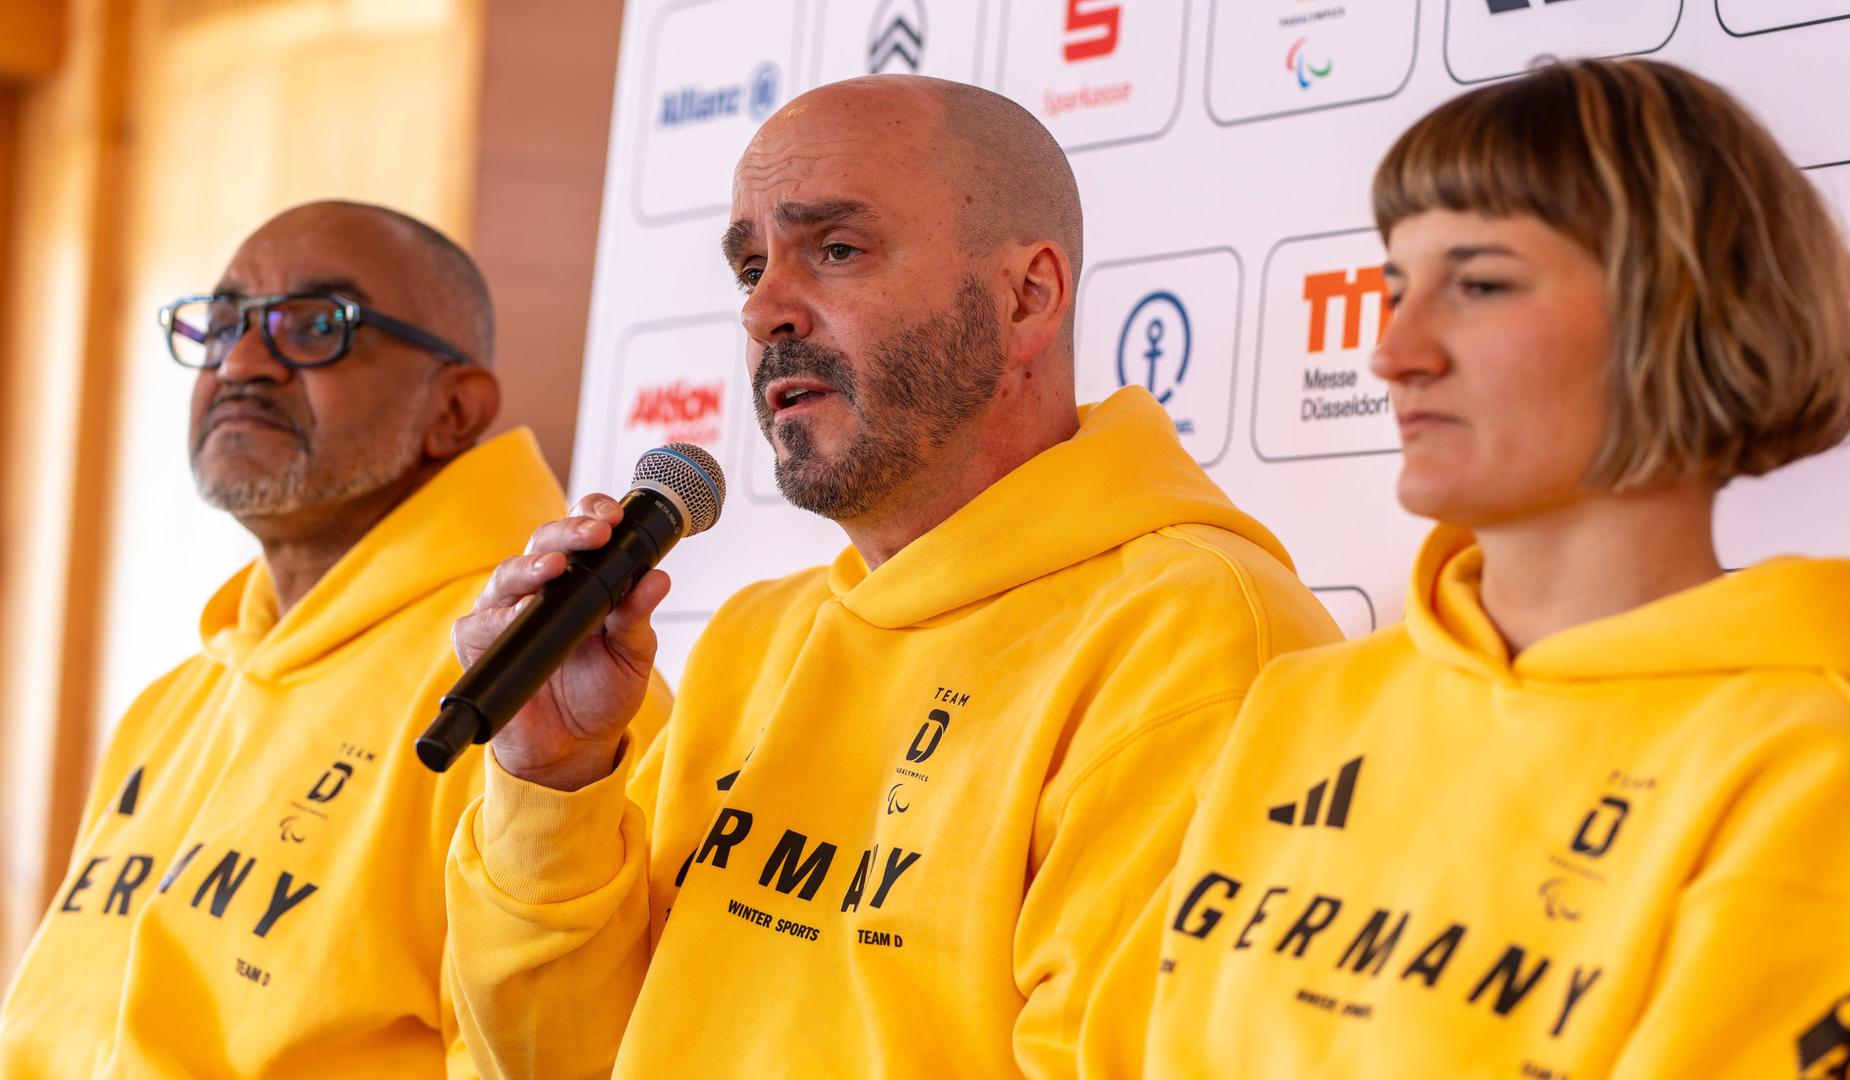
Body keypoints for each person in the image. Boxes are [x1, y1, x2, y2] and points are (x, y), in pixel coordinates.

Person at [442, 74, 1341, 1078]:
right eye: (750, 266)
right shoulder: (755, 638)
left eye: (836, 249)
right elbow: (549, 1064)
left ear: (1026, 296)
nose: (765, 313)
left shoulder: (1197, 637)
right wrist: (554, 784)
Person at [1076, 58, 1850, 1078]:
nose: (1394, 350)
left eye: (1478, 284)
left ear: (1680, 309)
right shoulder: (1303, 702)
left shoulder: (1816, 767)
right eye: (1396, 287)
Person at [0, 200, 669, 1077]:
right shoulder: (172, 702)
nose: (240, 361)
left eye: (315, 327)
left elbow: (563, 1058)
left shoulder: (535, 690)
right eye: (224, 322)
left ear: (455, 411)